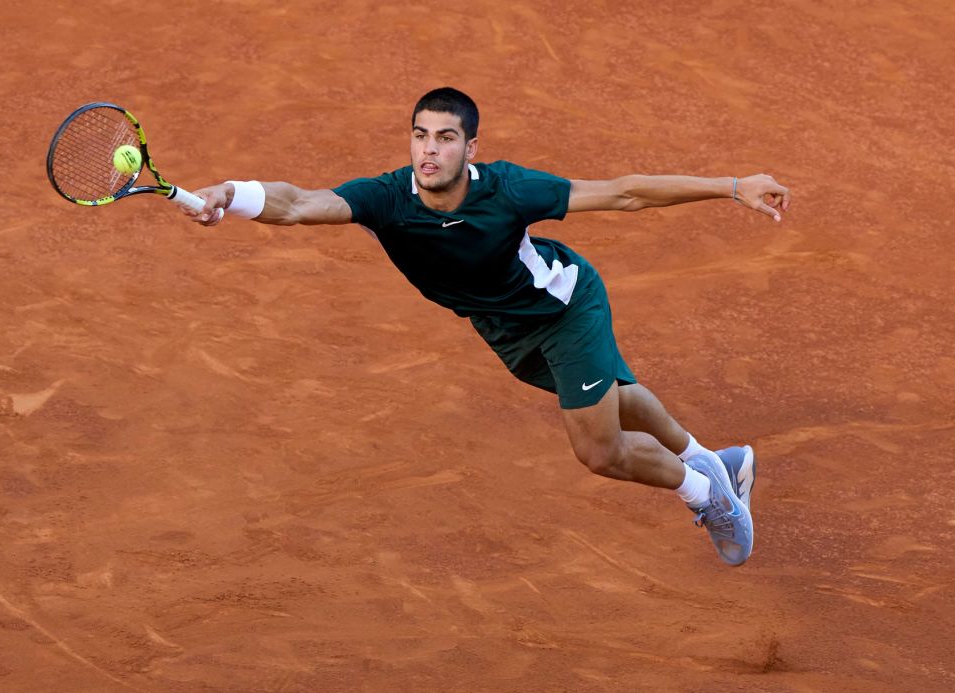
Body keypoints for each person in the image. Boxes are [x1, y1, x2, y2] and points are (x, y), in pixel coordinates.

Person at [183, 87, 790, 566]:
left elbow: (624, 194)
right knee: (615, 398)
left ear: (470, 148)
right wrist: (230, 192)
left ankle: (708, 497)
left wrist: (732, 187)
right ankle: (714, 458)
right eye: (420, 135)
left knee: (599, 450)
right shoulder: (387, 198)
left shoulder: (509, 190)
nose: (429, 150)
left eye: (446, 138)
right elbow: (297, 203)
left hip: (565, 309)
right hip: (504, 330)